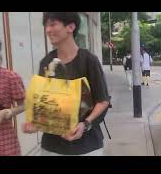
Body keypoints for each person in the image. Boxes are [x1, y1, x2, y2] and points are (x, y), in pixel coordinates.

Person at [22, 12, 110, 156]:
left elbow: (103, 101)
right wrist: (35, 124)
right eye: (46, 25)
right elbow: (43, 104)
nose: (47, 30)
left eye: (52, 24)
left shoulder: (88, 60)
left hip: (86, 147)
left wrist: (85, 124)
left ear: (70, 27)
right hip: (51, 147)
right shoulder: (46, 62)